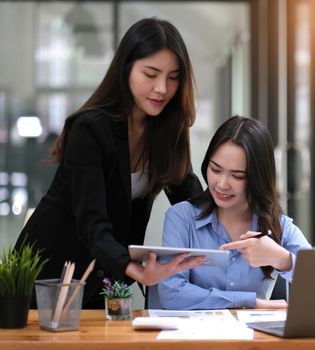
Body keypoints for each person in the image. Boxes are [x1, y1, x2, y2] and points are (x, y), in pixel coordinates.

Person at [15, 17, 207, 309]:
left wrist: (245, 222)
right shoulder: (90, 129)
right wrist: (138, 271)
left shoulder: (165, 132)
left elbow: (194, 201)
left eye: (173, 77)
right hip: (49, 270)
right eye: (151, 73)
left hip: (101, 276)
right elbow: (91, 223)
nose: (162, 89)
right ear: (126, 68)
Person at [151, 116, 311, 310]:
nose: (222, 184)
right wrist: (251, 302)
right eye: (215, 169)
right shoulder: (182, 217)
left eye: (237, 176)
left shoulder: (278, 226)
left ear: (258, 177)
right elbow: (172, 293)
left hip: (255, 338)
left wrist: (282, 259)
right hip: (194, 338)